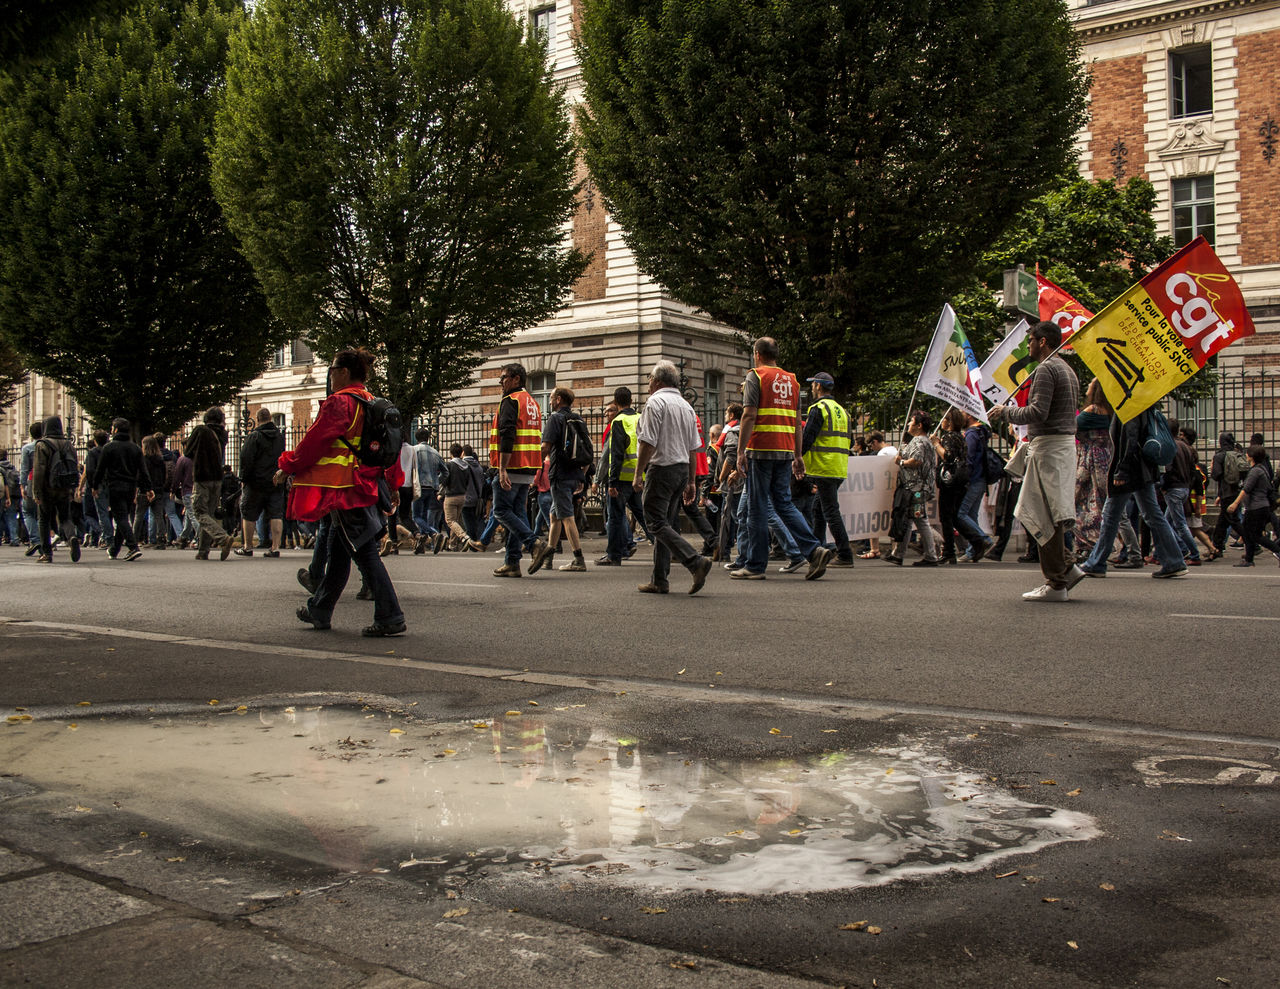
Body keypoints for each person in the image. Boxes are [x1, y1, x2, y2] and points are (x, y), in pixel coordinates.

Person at [281, 347, 406, 636]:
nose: (330, 374)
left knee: (364, 553)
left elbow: (315, 442)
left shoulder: (341, 403)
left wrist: (287, 464)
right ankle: (320, 610)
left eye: (333, 369)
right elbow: (391, 448)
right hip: (364, 484)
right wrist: (392, 483)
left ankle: (390, 615)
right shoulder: (371, 401)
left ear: (344, 372)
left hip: (344, 487)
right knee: (339, 552)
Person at [989, 321, 1084, 601]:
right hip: (1061, 448)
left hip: (1048, 448)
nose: (1027, 345)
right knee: (1047, 514)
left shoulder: (1045, 369)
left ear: (1043, 342)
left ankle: (1057, 582)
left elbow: (1038, 412)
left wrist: (1006, 412)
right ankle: (1065, 569)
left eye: (1030, 340)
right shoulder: (1067, 369)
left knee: (1039, 515)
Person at [732, 337, 833, 581]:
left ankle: (755, 566)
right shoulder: (793, 381)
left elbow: (748, 414)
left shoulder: (755, 376)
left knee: (757, 507)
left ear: (757, 354)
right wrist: (797, 455)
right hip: (785, 450)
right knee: (783, 503)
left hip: (761, 449)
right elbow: (799, 421)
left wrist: (740, 450)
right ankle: (813, 549)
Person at [633, 361, 713, 594]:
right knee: (664, 524)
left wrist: (639, 473)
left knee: (655, 523)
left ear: (657, 381)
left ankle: (694, 561)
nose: (648, 383)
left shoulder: (655, 402)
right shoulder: (686, 406)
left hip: (661, 468)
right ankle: (659, 579)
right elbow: (693, 448)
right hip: (680, 470)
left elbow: (647, 441)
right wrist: (690, 481)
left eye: (649, 379)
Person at [488, 363, 547, 578]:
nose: (501, 383)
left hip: (512, 464)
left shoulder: (511, 400)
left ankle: (533, 544)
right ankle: (512, 562)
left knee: (501, 511)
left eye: (503, 378)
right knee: (518, 512)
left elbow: (507, 433)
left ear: (516, 379)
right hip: (529, 465)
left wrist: (502, 468)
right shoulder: (532, 402)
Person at [529, 387, 591, 573]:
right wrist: (582, 475)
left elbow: (545, 447)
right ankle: (549, 558)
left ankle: (578, 559)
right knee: (554, 516)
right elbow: (587, 451)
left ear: (558, 399)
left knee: (567, 517)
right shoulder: (578, 419)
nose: (549, 401)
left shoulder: (555, 419)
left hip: (560, 474)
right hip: (574, 474)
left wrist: (534, 469)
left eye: (551, 398)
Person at [800, 372, 854, 567]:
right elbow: (852, 441)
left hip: (824, 466)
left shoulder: (818, 409)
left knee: (830, 511)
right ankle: (817, 550)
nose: (812, 388)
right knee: (819, 508)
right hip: (838, 467)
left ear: (818, 386)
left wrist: (796, 459)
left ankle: (845, 554)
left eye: (813, 384)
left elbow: (807, 438)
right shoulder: (842, 411)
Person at [885, 410, 940, 566]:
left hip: (916, 489)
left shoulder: (919, 441)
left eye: (911, 421)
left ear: (919, 425)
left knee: (920, 519)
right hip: (916, 487)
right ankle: (898, 554)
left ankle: (931, 555)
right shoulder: (924, 441)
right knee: (909, 519)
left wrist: (901, 462)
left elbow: (916, 461)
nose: (908, 424)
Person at [600, 387, 645, 566]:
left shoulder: (618, 421)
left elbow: (616, 453)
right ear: (631, 401)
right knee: (643, 515)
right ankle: (662, 546)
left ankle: (613, 555)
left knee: (616, 517)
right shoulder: (640, 417)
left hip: (621, 477)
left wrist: (612, 481)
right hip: (639, 475)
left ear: (616, 402)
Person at [183, 407, 235, 561]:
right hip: (217, 477)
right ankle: (203, 550)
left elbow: (187, 452)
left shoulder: (201, 431)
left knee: (200, 512)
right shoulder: (222, 434)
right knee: (209, 514)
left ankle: (222, 537)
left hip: (202, 476)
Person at [90, 418, 145, 561]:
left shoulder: (109, 447)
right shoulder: (136, 448)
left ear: (115, 430)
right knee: (123, 517)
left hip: (115, 486)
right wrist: (148, 488)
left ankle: (133, 547)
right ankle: (114, 549)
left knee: (120, 517)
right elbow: (142, 470)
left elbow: (100, 469)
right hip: (130, 486)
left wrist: (95, 486)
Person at [31, 415, 81, 563]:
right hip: (64, 487)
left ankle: (47, 552)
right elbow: (74, 466)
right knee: (65, 517)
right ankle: (72, 537)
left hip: (48, 488)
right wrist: (73, 488)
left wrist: (36, 492)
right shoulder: (68, 444)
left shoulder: (42, 444)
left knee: (44, 519)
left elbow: (39, 470)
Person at [237, 407, 286, 558]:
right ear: (270, 418)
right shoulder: (280, 436)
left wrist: (243, 479)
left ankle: (247, 546)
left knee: (249, 514)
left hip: (256, 482)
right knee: (276, 514)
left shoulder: (254, 436)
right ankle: (275, 547)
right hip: (275, 481)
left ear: (257, 419)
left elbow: (246, 459)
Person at [1074, 379, 1112, 561]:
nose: (1087, 387)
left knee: (1080, 499)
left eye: (1090, 385)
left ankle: (1088, 543)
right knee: (1102, 501)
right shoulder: (1111, 411)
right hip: (1105, 458)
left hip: (1089, 459)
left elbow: (1072, 426)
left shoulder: (1092, 410)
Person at [1227, 444, 1280, 567]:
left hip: (1257, 507)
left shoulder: (1256, 471)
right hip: (1257, 507)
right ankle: (1249, 559)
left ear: (1251, 456)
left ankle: (1277, 550)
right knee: (1247, 533)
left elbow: (1246, 489)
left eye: (1247, 453)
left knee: (1255, 535)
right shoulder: (1260, 469)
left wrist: (1235, 504)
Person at [1161, 417, 1202, 567]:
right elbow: (1193, 470)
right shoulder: (1185, 447)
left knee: (1179, 524)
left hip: (1174, 488)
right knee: (1167, 522)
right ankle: (1183, 549)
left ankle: (1191, 552)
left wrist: (1163, 486)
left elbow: (1167, 469)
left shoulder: (1169, 446)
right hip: (1184, 487)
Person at [955, 412, 994, 562]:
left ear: (970, 416)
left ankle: (984, 539)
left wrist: (964, 477)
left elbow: (969, 458)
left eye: (963, 412)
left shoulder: (971, 434)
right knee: (971, 515)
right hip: (980, 479)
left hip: (973, 479)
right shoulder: (981, 431)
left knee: (961, 513)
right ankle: (972, 551)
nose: (960, 415)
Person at [932, 408, 969, 564]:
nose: (942, 422)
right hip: (959, 481)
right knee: (952, 516)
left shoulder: (949, 437)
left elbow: (948, 456)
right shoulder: (960, 437)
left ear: (950, 422)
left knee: (946, 516)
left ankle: (948, 551)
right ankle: (975, 541)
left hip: (950, 481)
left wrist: (936, 444)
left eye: (944, 419)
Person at [436, 443, 484, 552]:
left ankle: (464, 537)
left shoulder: (449, 465)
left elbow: (444, 480)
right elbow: (467, 481)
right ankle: (452, 545)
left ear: (451, 453)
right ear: (461, 452)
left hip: (451, 496)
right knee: (456, 520)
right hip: (462, 496)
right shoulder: (465, 465)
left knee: (450, 521)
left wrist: (440, 492)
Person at [411, 429, 444, 543]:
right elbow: (446, 472)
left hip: (418, 486)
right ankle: (423, 543)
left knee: (416, 516)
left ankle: (433, 532)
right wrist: (436, 480)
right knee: (424, 514)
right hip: (431, 488)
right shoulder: (435, 452)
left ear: (416, 438)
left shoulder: (414, 450)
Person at [19, 422, 42, 556]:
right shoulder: (49, 445)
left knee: (27, 511)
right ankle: (44, 541)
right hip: (48, 483)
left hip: (32, 481)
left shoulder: (27, 448)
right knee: (42, 514)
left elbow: (24, 469)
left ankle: (35, 539)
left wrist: (22, 485)